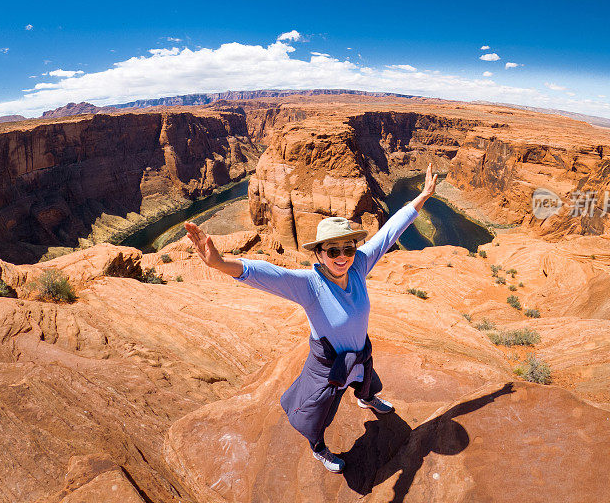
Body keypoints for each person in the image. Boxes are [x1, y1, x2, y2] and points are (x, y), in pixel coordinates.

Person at [184, 163, 438, 473]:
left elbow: (388, 234)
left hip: (359, 351)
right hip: (327, 363)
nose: (342, 256)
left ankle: (367, 399)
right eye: (332, 251)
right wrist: (221, 263)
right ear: (318, 254)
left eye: (348, 248)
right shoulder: (309, 285)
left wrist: (422, 197)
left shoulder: (359, 266)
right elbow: (269, 274)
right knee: (316, 412)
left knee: (366, 379)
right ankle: (318, 447)